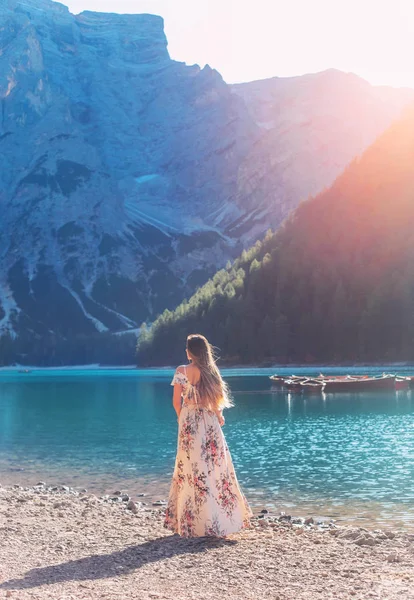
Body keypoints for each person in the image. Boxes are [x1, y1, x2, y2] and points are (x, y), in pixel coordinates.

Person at [164, 334, 252, 537]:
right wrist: (218, 416)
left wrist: (182, 419)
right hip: (210, 424)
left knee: (190, 470)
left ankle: (194, 524)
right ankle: (222, 521)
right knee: (216, 470)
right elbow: (217, 404)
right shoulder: (212, 372)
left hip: (190, 424)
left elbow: (177, 402)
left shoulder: (182, 371)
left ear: (189, 352)